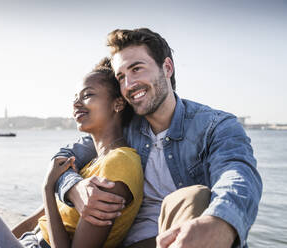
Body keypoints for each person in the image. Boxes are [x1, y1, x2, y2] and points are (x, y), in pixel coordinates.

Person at [53, 28, 263, 248]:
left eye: (137, 69)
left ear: (167, 68)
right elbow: (66, 156)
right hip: (125, 243)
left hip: (187, 238)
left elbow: (238, 175)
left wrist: (220, 222)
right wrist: (73, 189)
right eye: (121, 76)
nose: (129, 85)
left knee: (195, 196)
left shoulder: (215, 126)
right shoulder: (124, 127)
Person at [0, 59, 144, 248]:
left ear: (117, 104)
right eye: (75, 97)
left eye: (87, 95)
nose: (76, 104)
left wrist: (47, 188)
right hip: (25, 243)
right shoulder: (92, 162)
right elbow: (39, 219)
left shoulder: (120, 163)